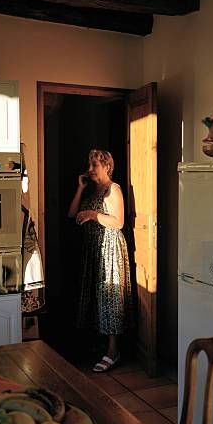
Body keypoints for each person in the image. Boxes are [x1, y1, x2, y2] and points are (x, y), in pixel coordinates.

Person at [68, 149, 133, 372]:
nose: (90, 169)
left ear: (107, 166)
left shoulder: (112, 189)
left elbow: (119, 222)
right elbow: (71, 214)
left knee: (110, 298)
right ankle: (101, 345)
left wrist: (93, 215)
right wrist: (80, 188)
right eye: (90, 164)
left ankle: (113, 351)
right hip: (93, 251)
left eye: (95, 164)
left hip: (109, 249)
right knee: (95, 298)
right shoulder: (92, 190)